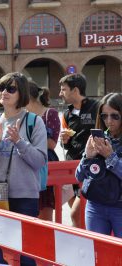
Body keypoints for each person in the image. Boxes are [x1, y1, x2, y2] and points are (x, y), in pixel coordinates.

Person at [0, 72, 47, 266]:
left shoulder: (34, 122)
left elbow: (39, 161)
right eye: (1, 88)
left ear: (21, 92)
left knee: (26, 251)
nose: (4, 92)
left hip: (25, 195)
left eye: (11, 89)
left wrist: (19, 141)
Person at [76, 92, 122, 237]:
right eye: (104, 116)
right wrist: (88, 157)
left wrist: (110, 157)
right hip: (95, 204)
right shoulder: (98, 138)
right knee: (97, 254)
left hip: (119, 207)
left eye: (115, 116)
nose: (109, 121)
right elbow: (79, 175)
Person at [59, 73, 99, 228]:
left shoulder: (97, 107)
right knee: (79, 215)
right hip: (72, 168)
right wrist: (65, 140)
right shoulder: (67, 113)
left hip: (91, 169)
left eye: (63, 90)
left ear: (75, 90)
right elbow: (67, 144)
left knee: (76, 213)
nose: (60, 93)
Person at [26, 82, 60, 221]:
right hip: (26, 167)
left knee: (44, 214)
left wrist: (24, 141)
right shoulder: (22, 115)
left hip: (44, 166)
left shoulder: (49, 113)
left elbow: (52, 143)